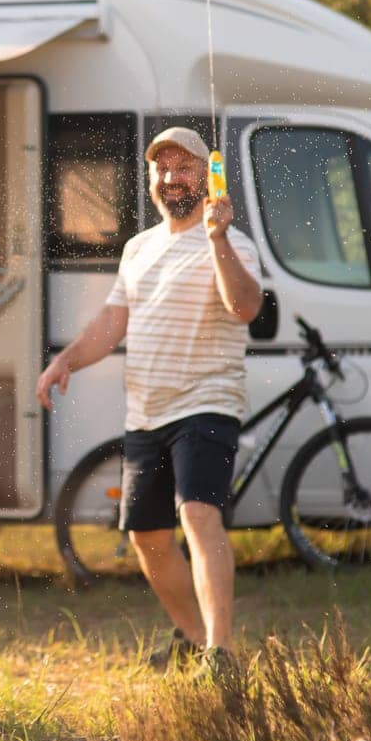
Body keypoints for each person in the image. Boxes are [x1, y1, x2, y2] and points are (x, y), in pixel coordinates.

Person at [36, 127, 262, 673]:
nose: (170, 177)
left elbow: (246, 307)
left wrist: (219, 240)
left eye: (183, 167)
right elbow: (116, 320)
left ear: (205, 177)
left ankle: (222, 652)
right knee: (145, 536)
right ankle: (194, 639)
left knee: (199, 514)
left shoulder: (231, 241)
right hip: (147, 411)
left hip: (207, 401)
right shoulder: (138, 247)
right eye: (161, 168)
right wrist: (66, 359)